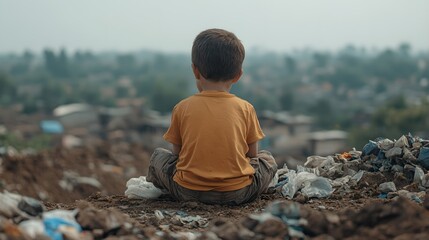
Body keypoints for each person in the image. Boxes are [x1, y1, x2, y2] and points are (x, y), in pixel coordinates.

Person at [147, 28, 277, 205]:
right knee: (267, 158)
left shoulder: (182, 108)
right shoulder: (246, 108)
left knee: (158, 155)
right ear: (238, 75)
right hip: (238, 193)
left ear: (195, 71)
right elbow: (253, 154)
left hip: (187, 192)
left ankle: (162, 191)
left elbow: (177, 155)